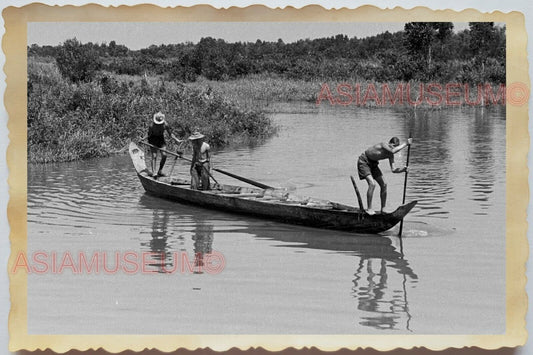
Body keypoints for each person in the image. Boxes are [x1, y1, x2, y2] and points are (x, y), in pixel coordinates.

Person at [357, 137, 412, 215]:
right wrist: (406, 143)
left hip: (373, 164)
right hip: (364, 161)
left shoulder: (390, 155)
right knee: (372, 184)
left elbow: (393, 169)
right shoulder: (384, 145)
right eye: (394, 146)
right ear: (391, 144)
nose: (395, 149)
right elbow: (393, 150)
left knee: (384, 184)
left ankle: (383, 209)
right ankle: (369, 209)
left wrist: (403, 169)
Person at [145, 112, 182, 177]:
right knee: (154, 156)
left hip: (161, 139)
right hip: (153, 139)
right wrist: (143, 139)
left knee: (164, 155)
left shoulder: (165, 125)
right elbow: (148, 134)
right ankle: (154, 172)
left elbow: (170, 134)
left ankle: (160, 171)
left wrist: (176, 140)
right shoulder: (152, 126)